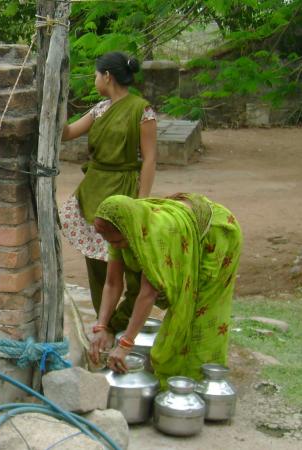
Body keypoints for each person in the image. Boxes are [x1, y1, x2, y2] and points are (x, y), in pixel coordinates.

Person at [87, 193, 243, 386]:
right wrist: (101, 327)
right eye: (109, 241)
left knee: (196, 309)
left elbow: (148, 293)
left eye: (117, 242)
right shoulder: (120, 227)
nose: (114, 246)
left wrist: (126, 344)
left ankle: (198, 381)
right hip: (179, 227)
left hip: (215, 237)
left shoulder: (154, 238)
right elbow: (112, 283)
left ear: (129, 232)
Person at [60, 51, 157, 334]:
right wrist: (53, 107)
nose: (94, 80)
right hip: (93, 193)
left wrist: (142, 202)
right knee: (97, 266)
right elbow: (66, 133)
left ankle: (121, 324)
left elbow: (149, 159)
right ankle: (103, 329)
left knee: (131, 266)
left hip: (124, 192)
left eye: (95, 75)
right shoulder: (99, 110)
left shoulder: (142, 110)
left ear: (107, 77)